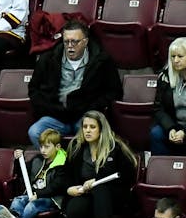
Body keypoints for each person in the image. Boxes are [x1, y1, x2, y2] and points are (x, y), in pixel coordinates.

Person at [27, 19, 122, 147]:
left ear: (85, 41)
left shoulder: (102, 61)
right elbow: (33, 89)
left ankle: (84, 164)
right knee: (35, 132)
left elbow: (114, 92)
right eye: (66, 41)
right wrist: (48, 108)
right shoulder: (48, 59)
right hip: (55, 116)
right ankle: (57, 164)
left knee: (92, 131)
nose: (70, 45)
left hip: (85, 116)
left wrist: (93, 108)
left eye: (75, 41)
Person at [62, 111, 139, 218]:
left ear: (101, 129)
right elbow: (66, 174)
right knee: (75, 208)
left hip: (112, 195)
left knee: (100, 187)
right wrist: (69, 188)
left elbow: (128, 175)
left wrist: (97, 180)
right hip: (85, 193)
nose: (87, 130)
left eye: (92, 127)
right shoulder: (76, 147)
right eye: (85, 127)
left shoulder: (115, 147)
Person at [0, 128, 67, 218]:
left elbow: (56, 186)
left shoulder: (63, 164)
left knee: (32, 205)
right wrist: (18, 160)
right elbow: (21, 172)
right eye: (41, 146)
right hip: (32, 195)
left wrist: (38, 194)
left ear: (57, 147)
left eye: (47, 147)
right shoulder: (38, 159)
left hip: (52, 199)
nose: (42, 150)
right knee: (18, 200)